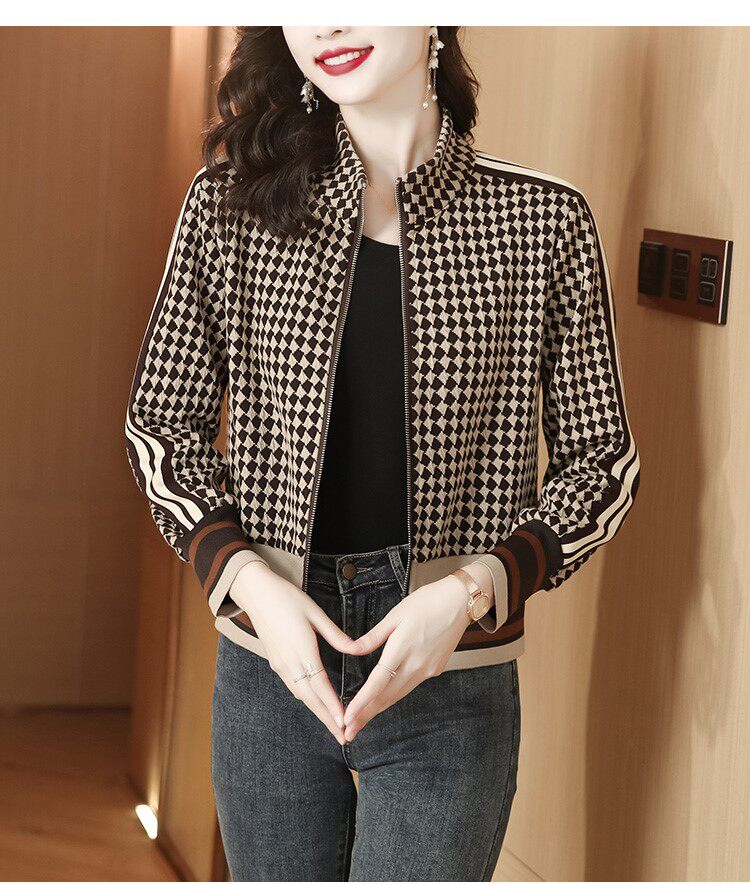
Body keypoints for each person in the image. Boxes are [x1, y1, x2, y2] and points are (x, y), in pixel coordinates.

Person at [125, 25, 641, 882]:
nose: (327, 23)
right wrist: (248, 582)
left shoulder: (542, 222)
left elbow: (603, 463)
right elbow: (162, 425)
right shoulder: (230, 205)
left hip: (452, 672)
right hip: (268, 663)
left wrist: (474, 591)